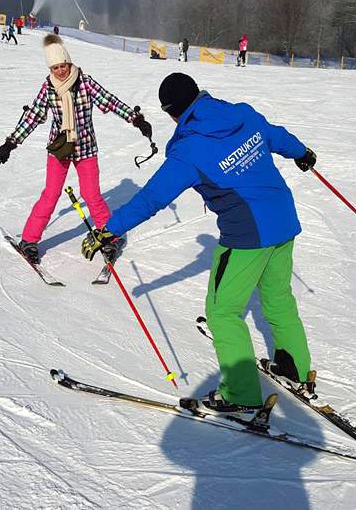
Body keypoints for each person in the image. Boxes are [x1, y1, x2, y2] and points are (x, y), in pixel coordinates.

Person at [81, 73, 318, 416]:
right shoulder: (240, 113)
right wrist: (302, 152)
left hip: (248, 234)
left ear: (171, 112)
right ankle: (294, 368)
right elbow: (275, 135)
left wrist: (109, 230)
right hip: (284, 218)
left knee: (223, 311)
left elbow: (152, 198)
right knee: (278, 298)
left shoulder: (189, 150)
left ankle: (240, 393)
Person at [0, 34, 152, 264]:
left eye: (63, 65)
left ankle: (110, 237)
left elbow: (109, 101)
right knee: (51, 194)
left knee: (91, 195)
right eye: (55, 67)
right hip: (59, 148)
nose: (60, 71)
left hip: (85, 147)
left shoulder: (85, 82)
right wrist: (11, 142)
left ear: (69, 62)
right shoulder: (49, 87)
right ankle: (29, 240)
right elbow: (33, 116)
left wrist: (136, 119)